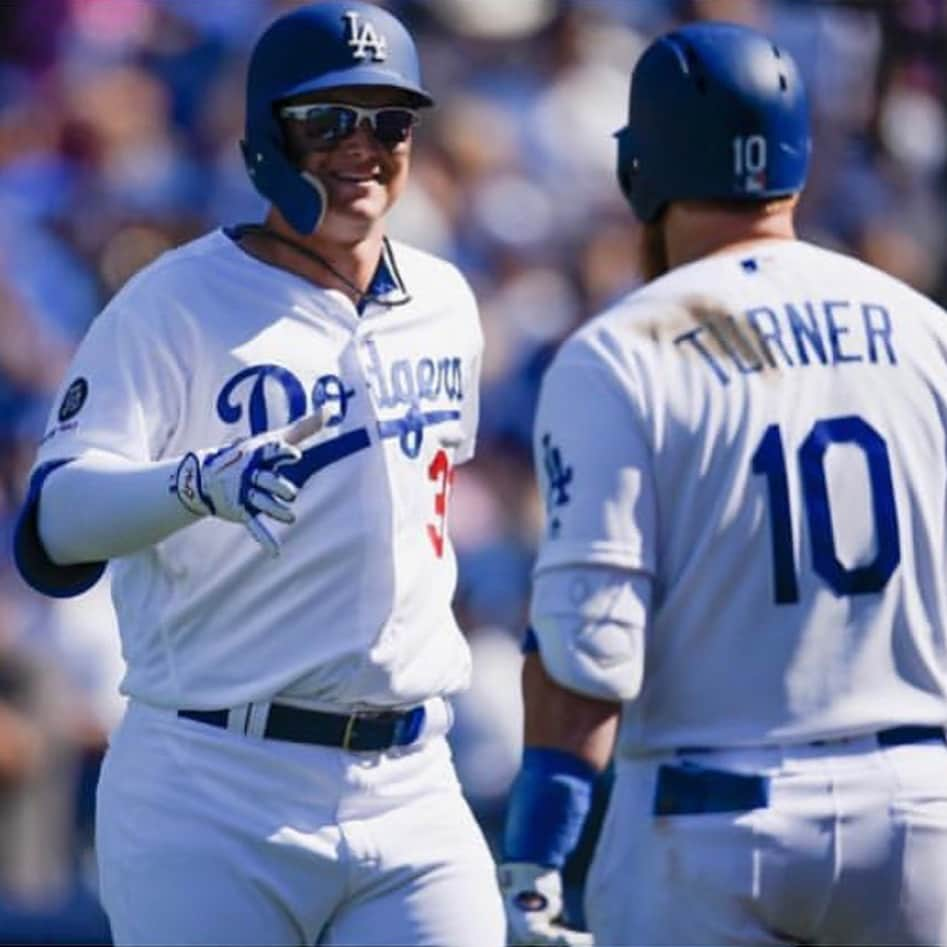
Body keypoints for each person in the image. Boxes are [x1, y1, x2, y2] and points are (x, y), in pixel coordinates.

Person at [13, 3, 505, 944]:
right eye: (329, 121)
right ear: (267, 134)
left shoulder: (446, 300)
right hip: (213, 784)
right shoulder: (176, 300)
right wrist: (192, 484)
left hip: (411, 779)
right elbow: (52, 526)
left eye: (389, 121)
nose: (362, 147)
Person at [498, 20, 947, 947]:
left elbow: (589, 653)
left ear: (640, 170)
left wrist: (537, 857)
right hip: (921, 809)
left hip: (711, 825)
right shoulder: (924, 328)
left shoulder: (622, 350)